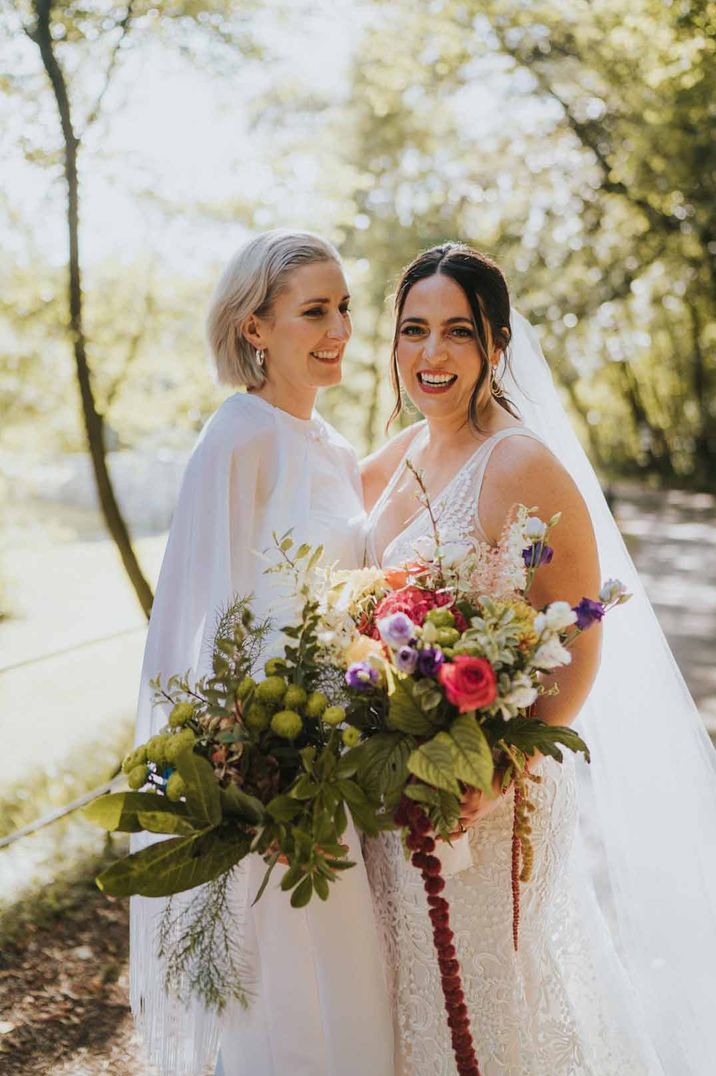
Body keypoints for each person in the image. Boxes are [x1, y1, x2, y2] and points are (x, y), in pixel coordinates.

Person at [361, 243, 716, 1075]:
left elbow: (576, 646)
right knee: (404, 1003)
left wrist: (495, 774)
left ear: (496, 343)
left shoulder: (521, 463)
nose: (432, 354)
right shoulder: (397, 458)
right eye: (414, 331)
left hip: (489, 798)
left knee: (485, 1007)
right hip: (395, 783)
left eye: (458, 331)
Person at [130, 230, 394, 1076]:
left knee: (357, 989)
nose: (339, 329)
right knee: (287, 1001)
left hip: (344, 761)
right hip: (272, 772)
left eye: (345, 308)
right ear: (254, 327)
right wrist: (235, 773)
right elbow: (188, 628)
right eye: (314, 311)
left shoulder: (337, 449)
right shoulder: (236, 437)